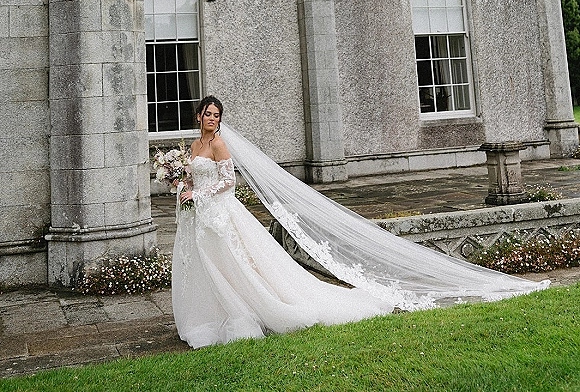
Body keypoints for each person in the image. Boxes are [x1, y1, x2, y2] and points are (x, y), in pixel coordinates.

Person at [172, 96, 548, 349]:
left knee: (239, 264)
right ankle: (213, 314)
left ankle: (251, 310)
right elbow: (196, 176)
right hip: (201, 217)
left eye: (217, 116)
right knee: (210, 266)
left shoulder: (220, 144)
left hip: (220, 213)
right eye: (208, 114)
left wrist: (199, 194)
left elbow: (228, 182)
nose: (212, 120)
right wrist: (182, 183)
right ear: (198, 116)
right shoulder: (194, 145)